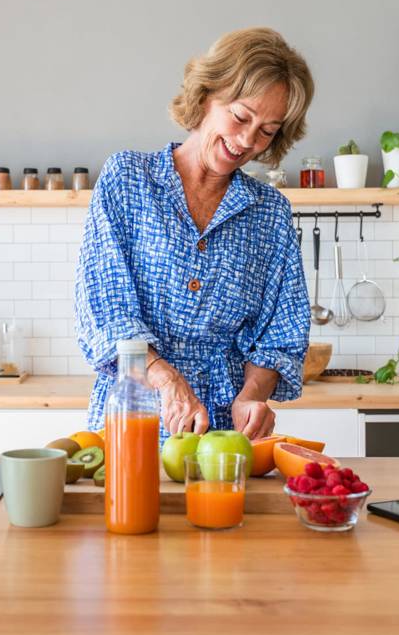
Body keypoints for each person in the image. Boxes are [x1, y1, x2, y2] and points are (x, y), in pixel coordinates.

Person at [75, 27, 313, 441]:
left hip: (227, 439)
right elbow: (106, 308)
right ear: (207, 95)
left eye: (267, 131)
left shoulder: (269, 213)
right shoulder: (128, 180)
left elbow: (282, 331)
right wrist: (167, 381)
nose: (246, 141)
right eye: (240, 116)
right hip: (135, 420)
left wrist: (253, 396)